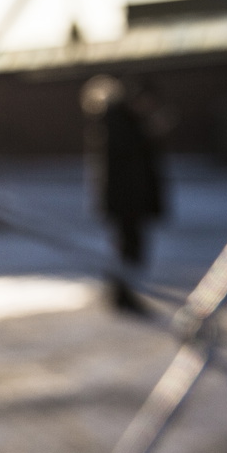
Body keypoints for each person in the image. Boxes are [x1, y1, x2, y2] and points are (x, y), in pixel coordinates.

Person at [82, 75, 166, 314]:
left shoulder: (128, 124)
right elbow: (126, 168)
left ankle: (124, 293)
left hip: (131, 201)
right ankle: (122, 295)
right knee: (128, 248)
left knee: (131, 248)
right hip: (126, 201)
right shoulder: (121, 125)